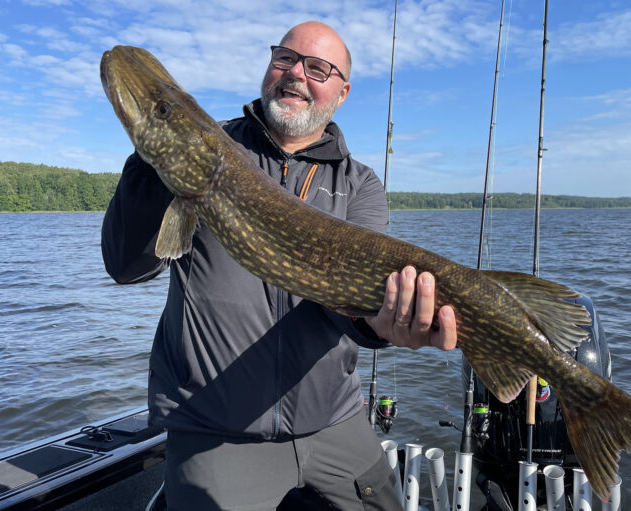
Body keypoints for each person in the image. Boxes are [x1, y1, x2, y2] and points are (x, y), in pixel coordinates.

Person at [102, 21, 457, 511]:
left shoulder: (360, 184)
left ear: (342, 91)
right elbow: (127, 266)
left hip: (334, 419)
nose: (295, 74)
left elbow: (350, 309)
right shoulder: (211, 151)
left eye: (317, 67)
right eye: (284, 58)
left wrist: (381, 325)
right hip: (215, 426)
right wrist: (149, 162)